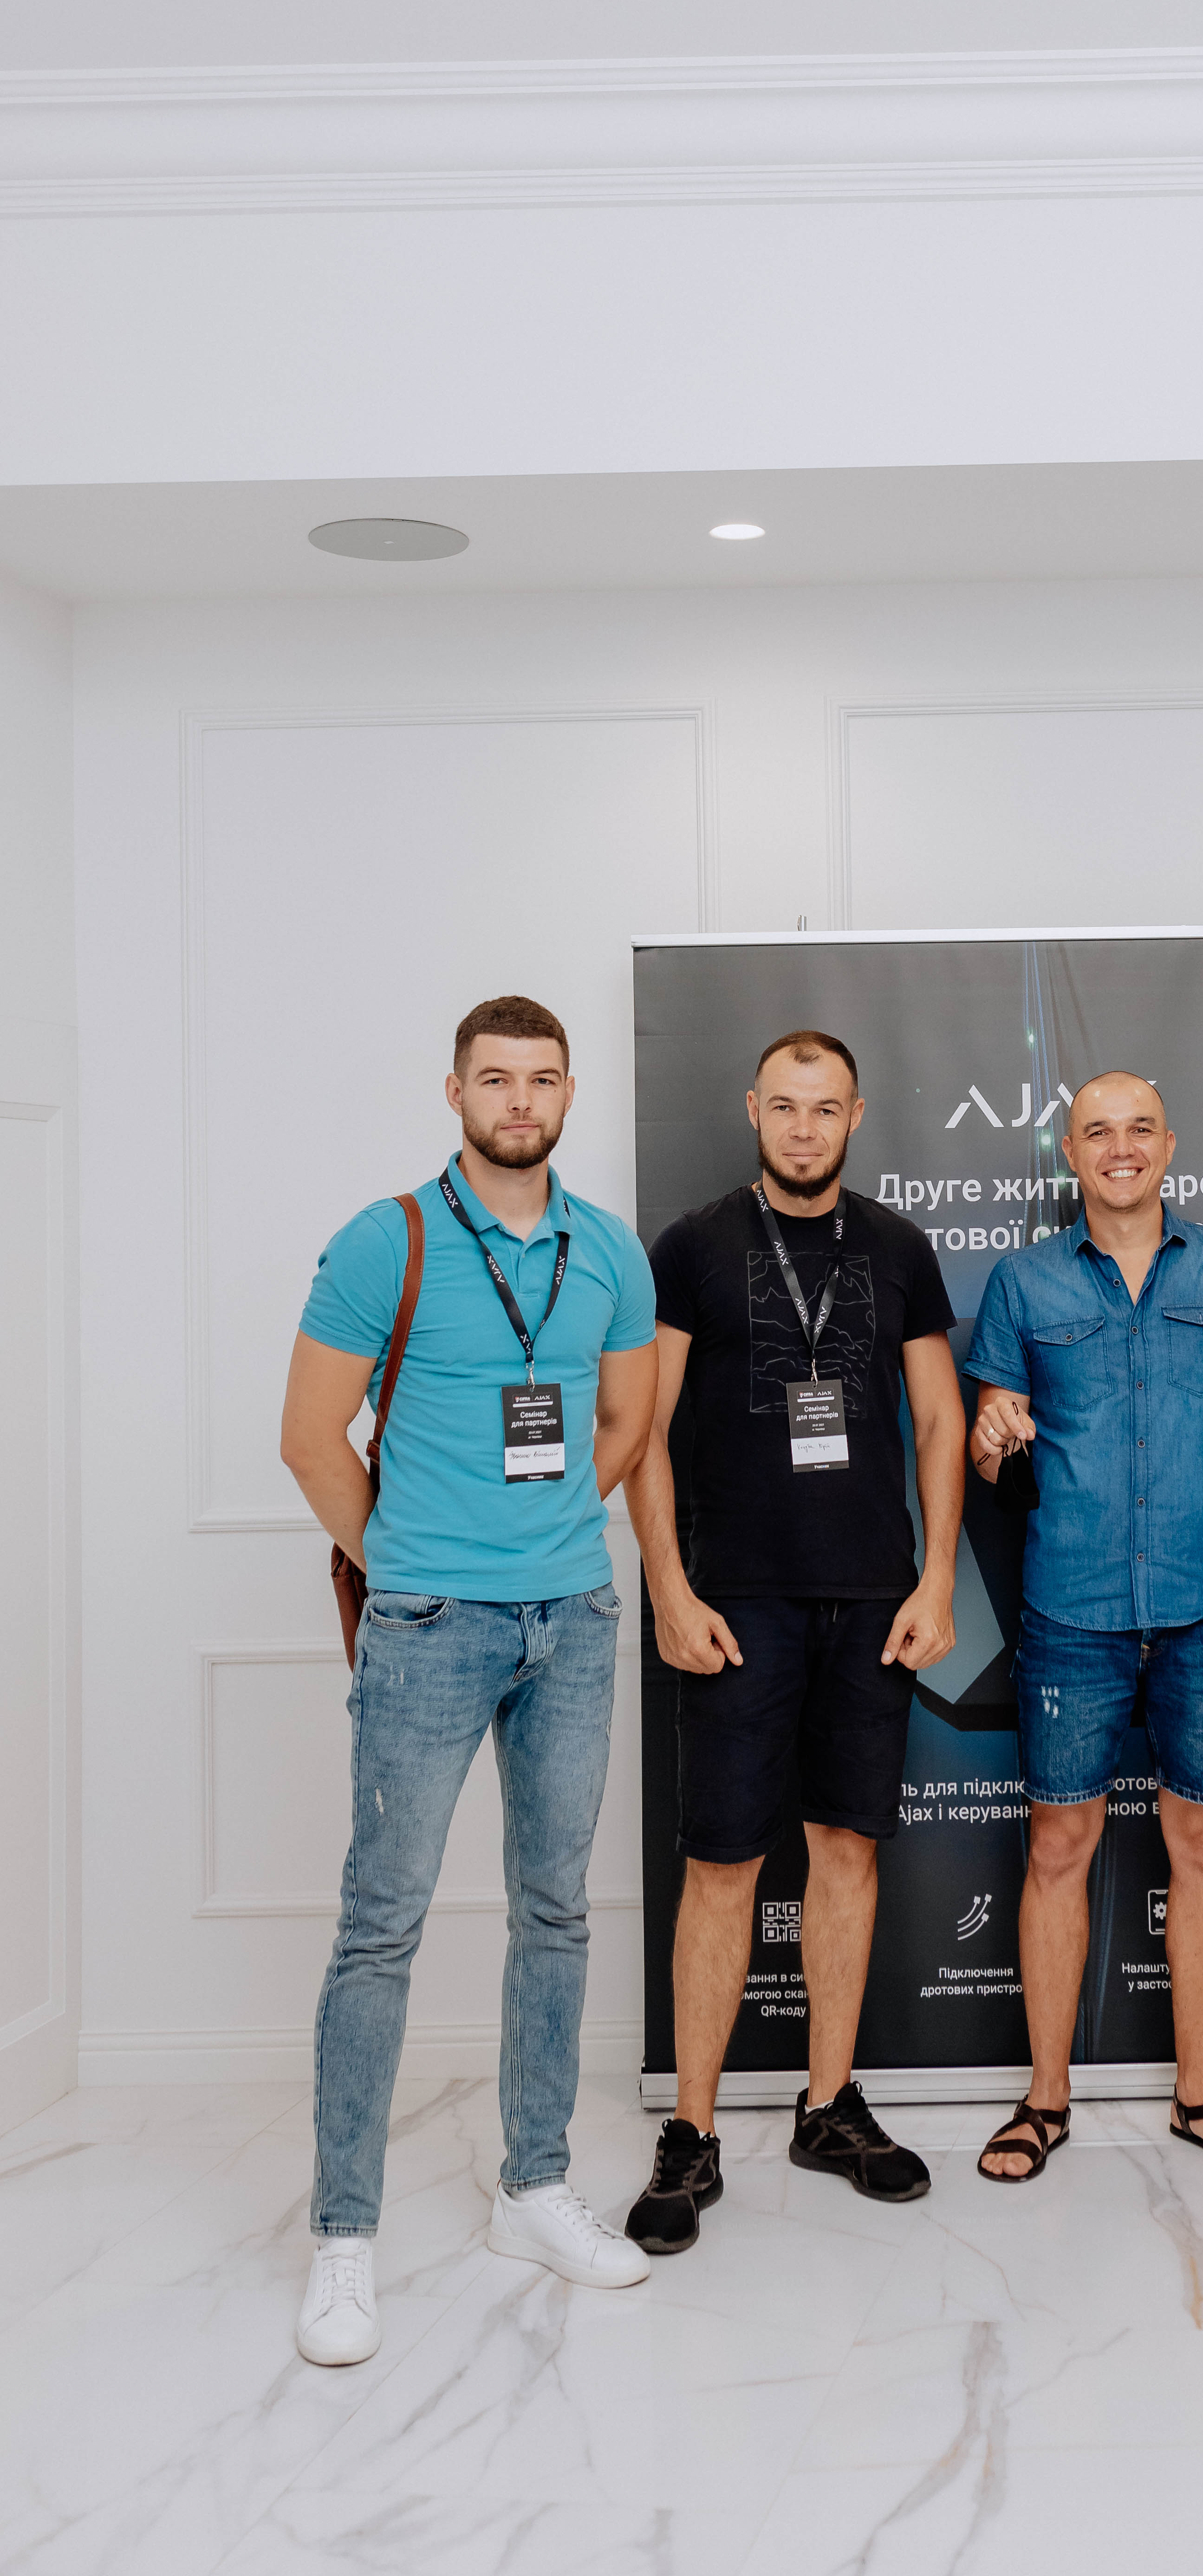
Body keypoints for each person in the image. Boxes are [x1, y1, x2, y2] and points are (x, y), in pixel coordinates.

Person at [280, 996, 660, 2366]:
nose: (519, 1101)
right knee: (381, 1925)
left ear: (568, 1093)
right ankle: (344, 2235)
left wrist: (545, 1530)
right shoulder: (386, 1240)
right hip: (428, 1624)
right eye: (495, 1079)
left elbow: (626, 1419)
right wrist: (406, 1558)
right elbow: (309, 1435)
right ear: (455, 1092)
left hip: (574, 1616)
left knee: (554, 1911)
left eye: (541, 1079)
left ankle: (533, 2188)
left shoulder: (608, 1249)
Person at [623, 1028, 964, 2254]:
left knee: (846, 1854)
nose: (804, 1127)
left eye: (826, 1108)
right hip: (737, 1603)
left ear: (856, 1115)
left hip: (872, 1601)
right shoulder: (692, 1247)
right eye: (785, 1106)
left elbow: (940, 1422)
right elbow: (643, 1428)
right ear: (752, 1109)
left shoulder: (900, 1249)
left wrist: (936, 1578)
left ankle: (829, 2108)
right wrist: (669, 1587)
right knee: (722, 1866)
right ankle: (692, 2133)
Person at [964, 1071, 1203, 2184]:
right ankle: (1044, 2101)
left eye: (1138, 1130)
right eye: (1097, 1132)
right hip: (1069, 1611)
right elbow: (985, 1445)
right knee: (1057, 1849)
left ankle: (1197, 2096)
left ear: (1168, 1147)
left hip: (1201, 1611)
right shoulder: (1022, 1281)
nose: (1119, 1148)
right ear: (1070, 1154)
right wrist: (994, 1429)